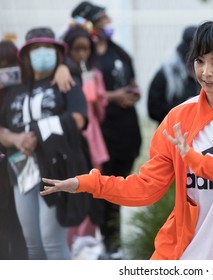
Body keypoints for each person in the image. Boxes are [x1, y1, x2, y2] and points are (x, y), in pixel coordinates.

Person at [41, 19, 213, 260]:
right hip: (180, 256)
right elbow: (146, 188)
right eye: (200, 61)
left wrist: (196, 161)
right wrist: (87, 184)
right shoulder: (178, 117)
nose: (206, 72)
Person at [0, 27, 90, 259]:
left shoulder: (65, 82)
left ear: (58, 53)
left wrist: (37, 133)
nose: (42, 53)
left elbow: (79, 119)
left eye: (48, 48)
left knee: (52, 241)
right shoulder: (14, 89)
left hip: (56, 169)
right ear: (26, 55)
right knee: (32, 243)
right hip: (21, 170)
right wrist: (17, 139)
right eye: (36, 48)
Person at [71, 1, 142, 255]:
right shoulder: (83, 57)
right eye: (101, 19)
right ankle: (99, 244)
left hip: (126, 136)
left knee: (118, 194)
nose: (107, 22)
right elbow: (87, 95)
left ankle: (114, 247)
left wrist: (132, 93)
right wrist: (113, 96)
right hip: (99, 140)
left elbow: (133, 83)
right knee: (97, 193)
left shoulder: (119, 52)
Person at [62, 23, 109, 254]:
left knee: (92, 185)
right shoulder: (64, 75)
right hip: (73, 139)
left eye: (86, 49)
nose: (82, 54)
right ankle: (71, 241)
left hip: (93, 139)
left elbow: (100, 114)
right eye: (77, 49)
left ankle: (88, 240)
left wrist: (95, 98)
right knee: (73, 185)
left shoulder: (94, 75)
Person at [0, 40, 27, 260]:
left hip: (20, 166)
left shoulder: (22, 91)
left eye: (10, 66)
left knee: (20, 227)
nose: (5, 72)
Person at [147, 25, 200, 124]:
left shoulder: (204, 75)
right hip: (171, 128)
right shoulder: (166, 72)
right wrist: (184, 105)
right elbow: (154, 110)